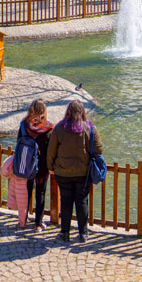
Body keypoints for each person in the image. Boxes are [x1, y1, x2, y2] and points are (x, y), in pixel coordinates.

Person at [46, 100, 103, 244]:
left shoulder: (59, 128)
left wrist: (50, 167)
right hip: (83, 173)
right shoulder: (90, 128)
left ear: (68, 112)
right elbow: (99, 149)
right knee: (82, 201)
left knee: (66, 202)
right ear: (83, 111)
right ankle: (83, 233)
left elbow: (51, 151)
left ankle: (64, 233)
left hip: (63, 173)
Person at [22, 99, 54, 233]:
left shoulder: (24, 124)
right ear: (43, 111)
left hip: (27, 164)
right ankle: (38, 224)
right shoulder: (49, 127)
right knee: (40, 193)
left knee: (26, 191)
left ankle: (22, 219)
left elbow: (19, 141)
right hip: (41, 165)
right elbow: (51, 149)